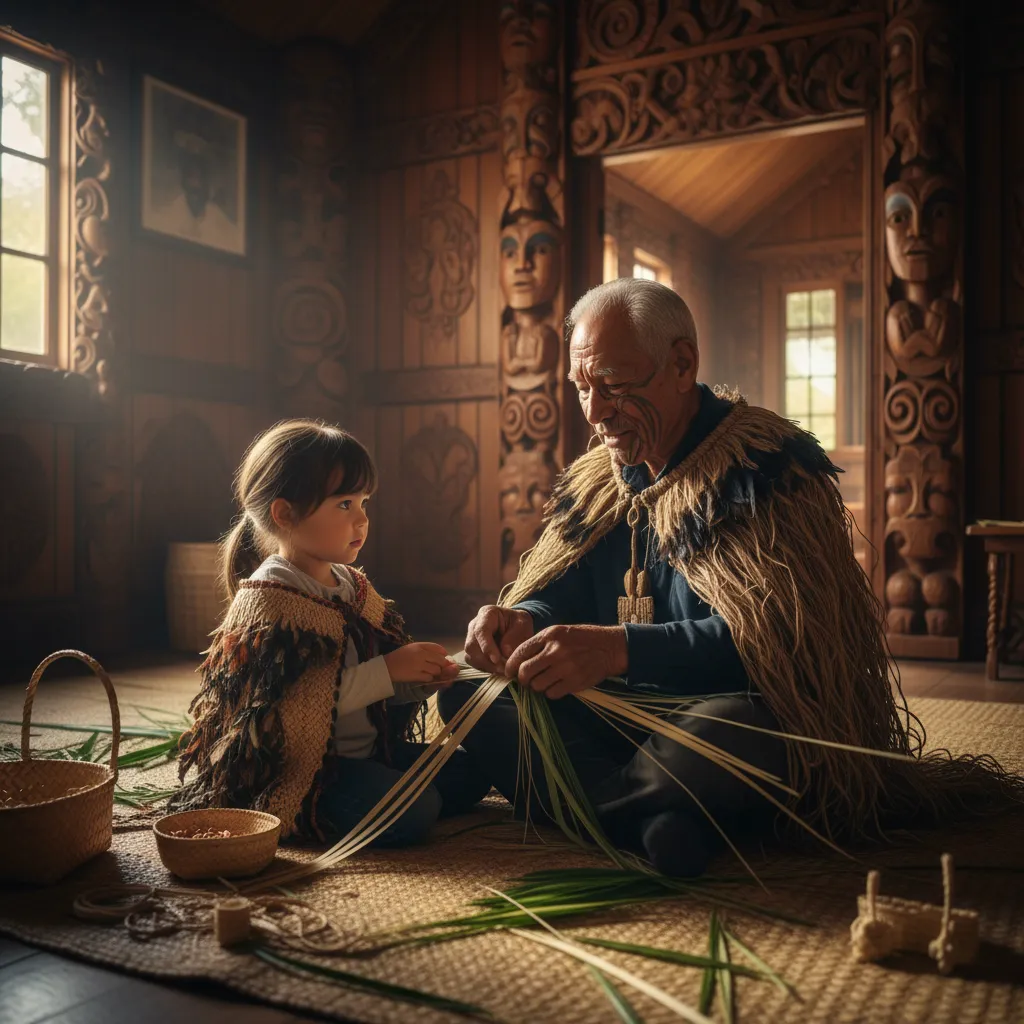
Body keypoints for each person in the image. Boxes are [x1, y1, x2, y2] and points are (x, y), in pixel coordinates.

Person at [442, 278, 1022, 876]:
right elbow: (558, 594)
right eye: (583, 387)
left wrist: (619, 650)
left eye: (613, 385)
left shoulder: (766, 468)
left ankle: (601, 805)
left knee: (722, 735)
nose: (594, 412)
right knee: (466, 687)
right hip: (612, 717)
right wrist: (521, 620)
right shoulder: (598, 482)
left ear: (682, 365)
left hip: (723, 716)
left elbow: (787, 646)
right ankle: (649, 818)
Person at [172, 420, 490, 845]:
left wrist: (418, 681)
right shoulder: (270, 598)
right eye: (344, 504)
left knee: (472, 774)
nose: (362, 519)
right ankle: (305, 813)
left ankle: (384, 790)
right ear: (285, 514)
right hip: (311, 770)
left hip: (367, 751)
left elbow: (374, 689)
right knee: (418, 809)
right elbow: (287, 710)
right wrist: (388, 671)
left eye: (363, 502)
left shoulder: (351, 587)